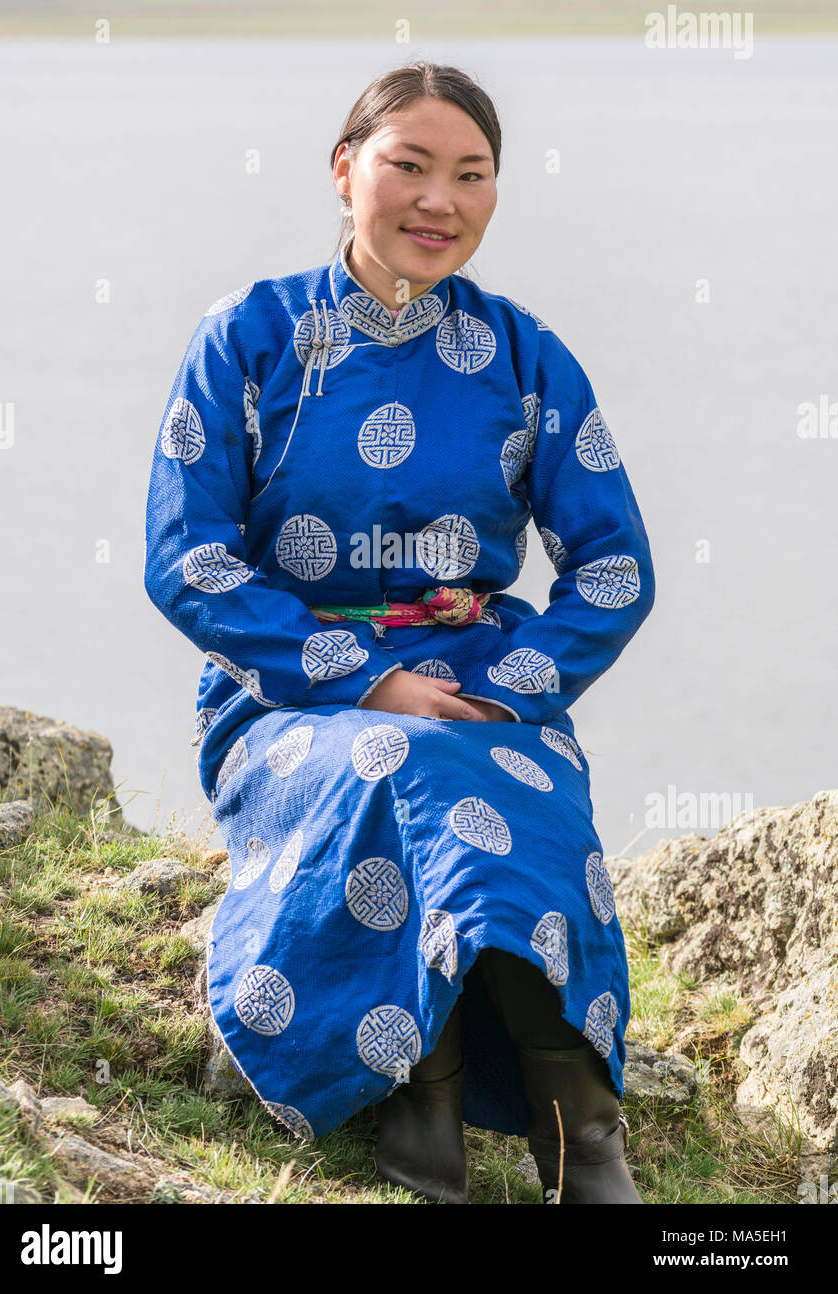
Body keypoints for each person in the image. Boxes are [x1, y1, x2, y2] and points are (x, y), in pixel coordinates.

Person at [143, 60, 655, 1205]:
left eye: (471, 175)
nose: (440, 200)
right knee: (397, 754)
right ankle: (421, 1078)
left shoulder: (527, 355)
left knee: (499, 772)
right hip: (291, 696)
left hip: (485, 686)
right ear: (344, 170)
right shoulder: (249, 336)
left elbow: (614, 568)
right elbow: (189, 559)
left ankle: (580, 1126)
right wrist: (365, 682)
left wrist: (520, 684)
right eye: (408, 165)